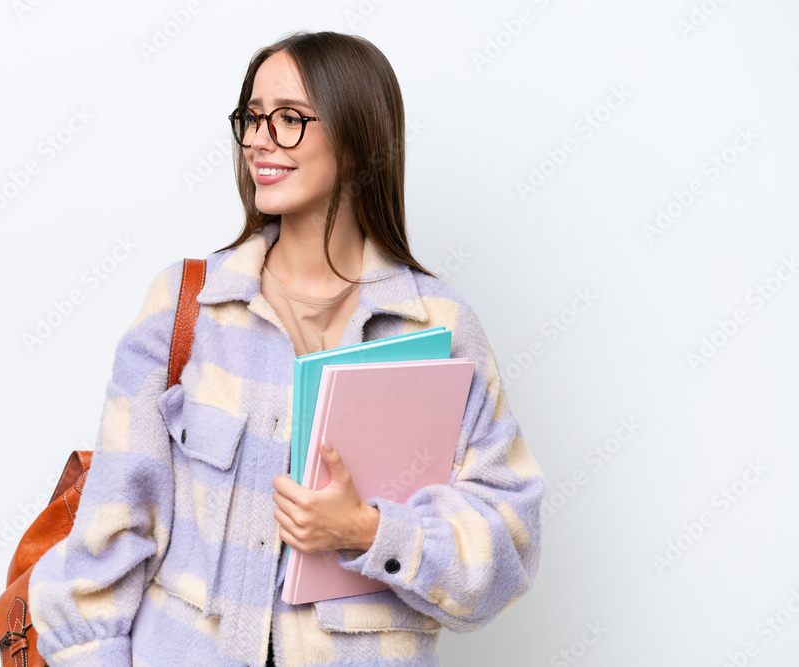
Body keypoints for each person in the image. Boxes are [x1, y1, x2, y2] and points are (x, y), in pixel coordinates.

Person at [29, 30, 545, 667]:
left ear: (358, 140)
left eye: (290, 119)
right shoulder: (184, 308)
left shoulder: (435, 328)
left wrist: (369, 531)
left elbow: (510, 544)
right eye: (251, 117)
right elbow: (109, 531)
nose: (259, 139)